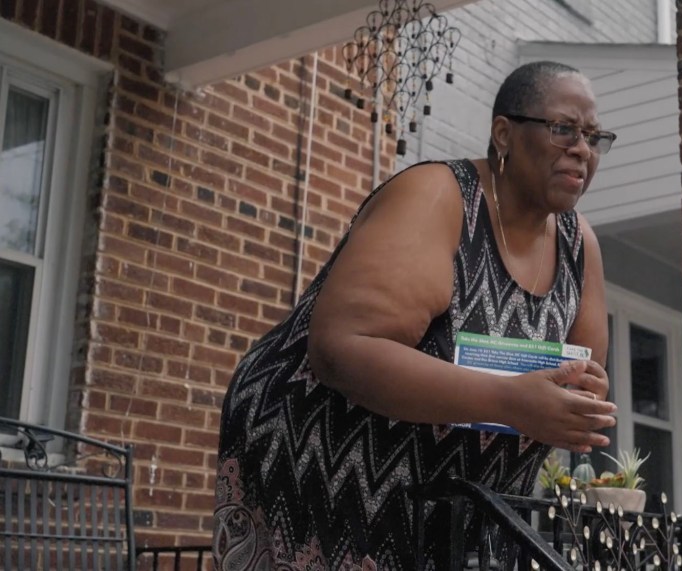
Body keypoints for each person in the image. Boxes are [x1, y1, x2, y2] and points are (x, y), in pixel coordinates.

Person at [212, 60, 619, 570]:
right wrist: (508, 401)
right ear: (503, 134)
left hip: (454, 508)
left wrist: (579, 404)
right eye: (563, 129)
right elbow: (343, 347)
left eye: (594, 136)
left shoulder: (581, 246)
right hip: (325, 467)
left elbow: (580, 375)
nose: (582, 149)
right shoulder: (439, 197)